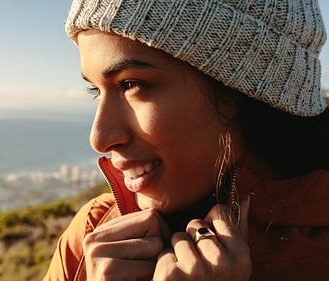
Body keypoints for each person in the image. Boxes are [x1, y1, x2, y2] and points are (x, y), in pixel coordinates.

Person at [44, 0, 329, 280]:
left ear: (243, 91)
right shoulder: (94, 239)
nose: (99, 138)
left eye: (132, 85)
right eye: (96, 91)